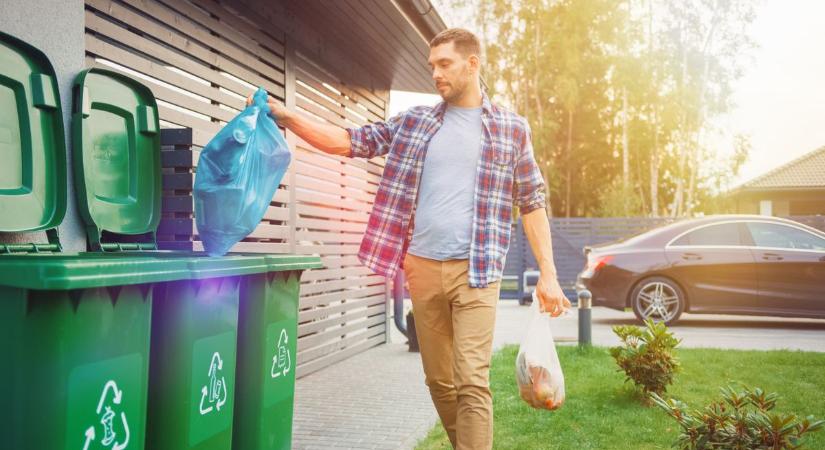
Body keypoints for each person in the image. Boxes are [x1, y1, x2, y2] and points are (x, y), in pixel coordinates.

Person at [249, 27, 570, 450]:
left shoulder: (512, 129)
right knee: (440, 381)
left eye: (444, 64)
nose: (435, 73)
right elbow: (351, 142)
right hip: (421, 267)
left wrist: (548, 273)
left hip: (478, 272)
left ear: (472, 64)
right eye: (431, 66)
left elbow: (532, 201)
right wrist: (289, 117)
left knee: (472, 380)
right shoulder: (416, 122)